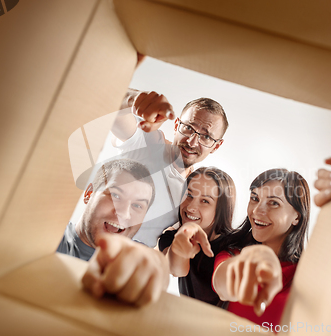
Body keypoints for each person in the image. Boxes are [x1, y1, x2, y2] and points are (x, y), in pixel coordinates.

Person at [111, 93, 229, 246]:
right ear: (176, 126)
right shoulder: (149, 144)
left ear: (216, 146)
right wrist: (134, 99)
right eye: (188, 128)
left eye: (206, 137)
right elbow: (112, 110)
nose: (192, 142)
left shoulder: (193, 192)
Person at [212, 168, 313, 327]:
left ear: (297, 216)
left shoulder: (307, 273)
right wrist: (244, 264)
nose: (257, 210)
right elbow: (222, 285)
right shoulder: (234, 253)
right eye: (254, 198)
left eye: (274, 203)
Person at [157, 167, 235, 305]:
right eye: (189, 195)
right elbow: (176, 269)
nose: (191, 207)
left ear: (220, 209)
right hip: (188, 320)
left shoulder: (235, 243)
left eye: (205, 201)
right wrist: (186, 231)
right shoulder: (170, 237)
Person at [57, 158, 156, 261]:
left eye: (137, 206)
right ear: (89, 194)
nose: (124, 213)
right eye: (115, 195)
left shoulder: (140, 258)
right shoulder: (52, 237)